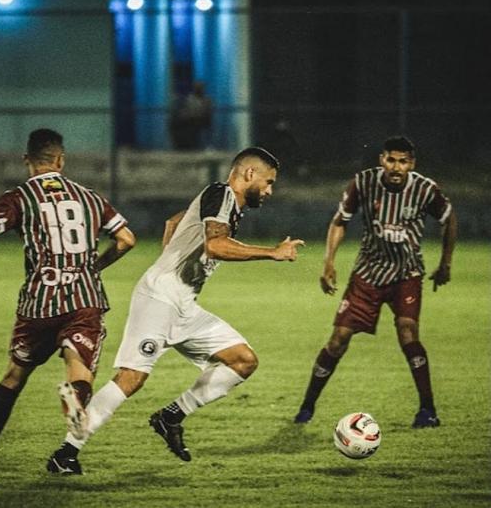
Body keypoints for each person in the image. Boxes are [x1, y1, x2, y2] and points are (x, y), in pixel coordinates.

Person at [47, 147, 304, 474]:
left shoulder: (225, 206)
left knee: (243, 360)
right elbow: (216, 245)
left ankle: (171, 416)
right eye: (268, 182)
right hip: (160, 301)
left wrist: (170, 260)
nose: (270, 191)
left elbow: (174, 222)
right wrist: (273, 253)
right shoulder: (222, 194)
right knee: (132, 377)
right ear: (249, 174)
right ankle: (66, 453)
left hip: (183, 303)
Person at [0, 128, 136, 482]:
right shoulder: (89, 196)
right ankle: (73, 399)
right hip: (85, 298)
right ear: (61, 160)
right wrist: (95, 266)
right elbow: (125, 239)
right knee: (79, 370)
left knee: (14, 377)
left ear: (27, 160)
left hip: (39, 304)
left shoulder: (18, 197)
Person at [293, 135, 457, 428]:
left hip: (407, 273)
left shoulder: (425, 189)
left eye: (403, 161)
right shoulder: (364, 183)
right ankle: (306, 407)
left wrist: (445, 263)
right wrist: (328, 262)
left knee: (408, 332)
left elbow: (449, 218)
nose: (396, 167)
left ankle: (427, 410)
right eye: (391, 160)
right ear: (382, 160)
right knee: (338, 339)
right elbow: (339, 221)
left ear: (412, 164)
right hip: (368, 273)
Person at [170, 81, 213, 150]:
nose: (197, 89)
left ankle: (193, 146)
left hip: (201, 119)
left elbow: (206, 112)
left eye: (199, 87)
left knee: (189, 124)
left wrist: (192, 114)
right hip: (190, 118)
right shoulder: (190, 98)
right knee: (176, 123)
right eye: (196, 87)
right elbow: (186, 109)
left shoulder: (206, 100)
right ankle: (181, 146)